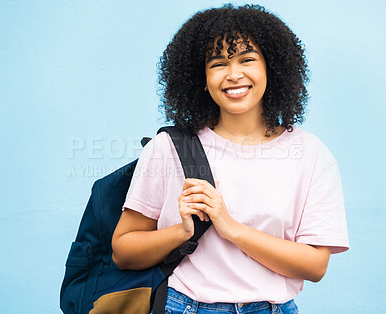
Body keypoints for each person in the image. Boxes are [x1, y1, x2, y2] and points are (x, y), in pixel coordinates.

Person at [111, 4, 349, 314]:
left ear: (271, 67)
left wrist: (230, 227)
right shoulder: (168, 147)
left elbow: (315, 265)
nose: (234, 75)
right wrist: (183, 232)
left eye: (247, 60)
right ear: (202, 77)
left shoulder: (311, 153)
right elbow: (123, 251)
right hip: (183, 307)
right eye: (218, 63)